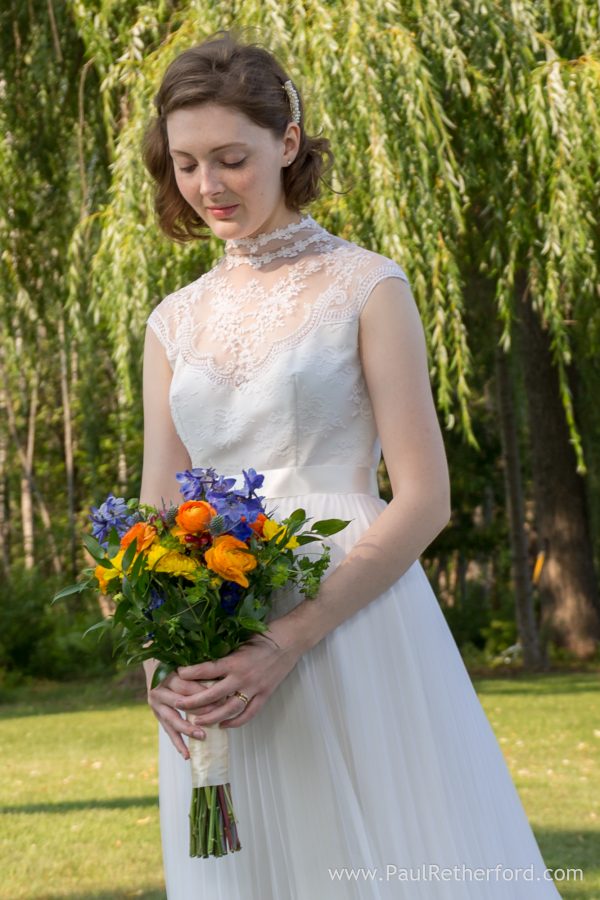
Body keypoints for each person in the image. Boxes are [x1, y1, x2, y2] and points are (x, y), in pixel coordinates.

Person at [139, 28, 562, 900]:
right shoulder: (170, 321)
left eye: (230, 158)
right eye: (185, 164)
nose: (208, 186)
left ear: (286, 144)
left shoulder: (367, 286)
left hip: (350, 623)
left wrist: (287, 640)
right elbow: (156, 502)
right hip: (215, 642)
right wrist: (161, 667)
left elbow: (426, 497)